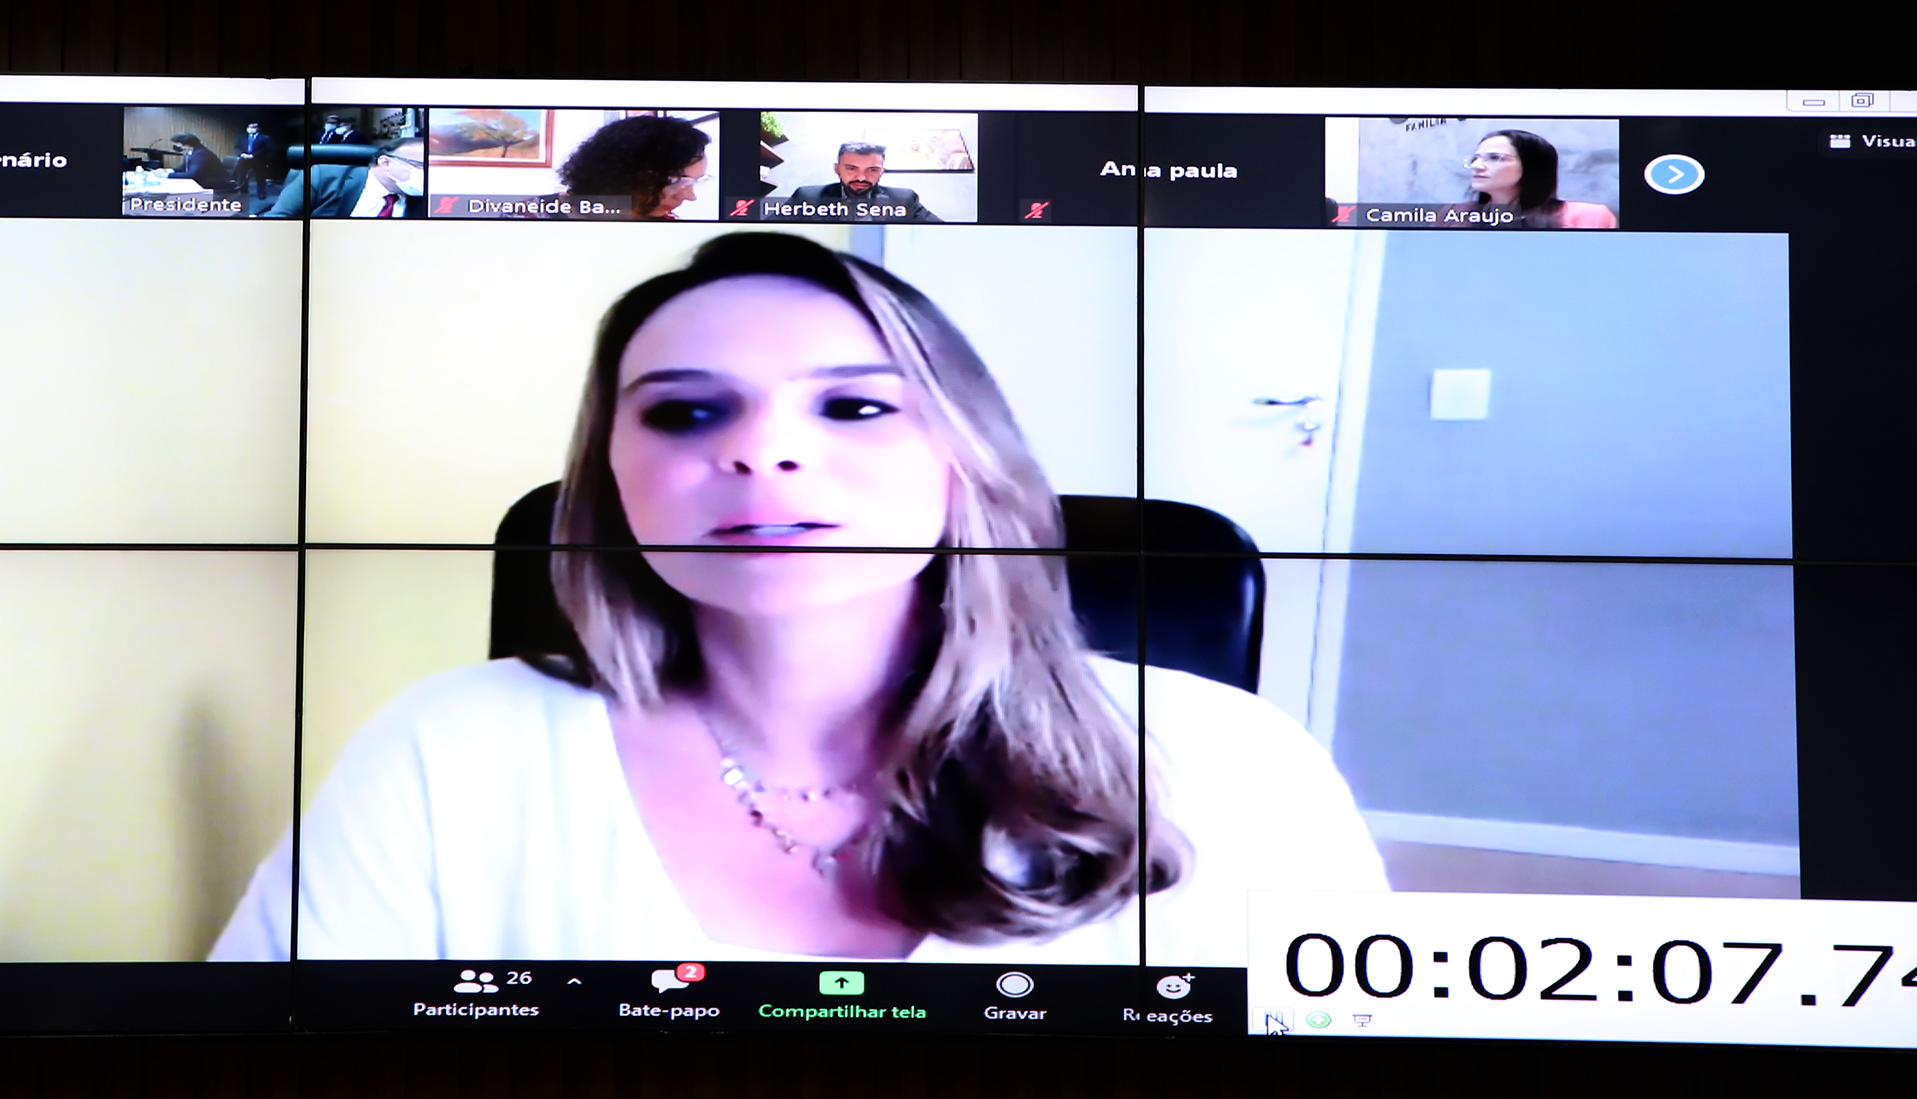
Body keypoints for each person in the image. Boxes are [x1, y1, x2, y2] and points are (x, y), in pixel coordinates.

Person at [211, 233, 1384, 966]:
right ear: (612, 482)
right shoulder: (447, 747)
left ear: (962, 461)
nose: (761, 452)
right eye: (685, 411)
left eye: (854, 407)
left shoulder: (1232, 766)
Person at [1455, 129, 1617, 229]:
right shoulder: (1456, 215)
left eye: (1495, 157)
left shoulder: (1588, 216)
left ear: (1532, 165)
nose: (1476, 166)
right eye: (1475, 158)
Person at [557, 115, 711, 219]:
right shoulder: (546, 213)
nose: (690, 196)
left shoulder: (669, 228)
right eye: (674, 181)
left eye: (693, 183)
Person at [264, 134, 428, 218]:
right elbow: (277, 221)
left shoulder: (427, 199)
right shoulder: (322, 177)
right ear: (385, 163)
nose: (430, 174)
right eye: (422, 166)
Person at [785, 142, 943, 222]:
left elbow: (942, 231)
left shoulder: (904, 199)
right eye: (851, 168)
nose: (861, 177)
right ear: (837, 168)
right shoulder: (807, 196)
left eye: (872, 170)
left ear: (882, 171)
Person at [234, 120, 276, 198]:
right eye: (250, 127)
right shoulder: (242, 137)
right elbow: (237, 147)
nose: (251, 128)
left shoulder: (265, 138)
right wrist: (242, 154)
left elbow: (268, 149)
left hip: (259, 161)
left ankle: (261, 193)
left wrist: (254, 155)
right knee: (243, 176)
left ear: (258, 128)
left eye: (253, 127)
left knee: (260, 177)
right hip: (245, 160)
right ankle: (244, 192)